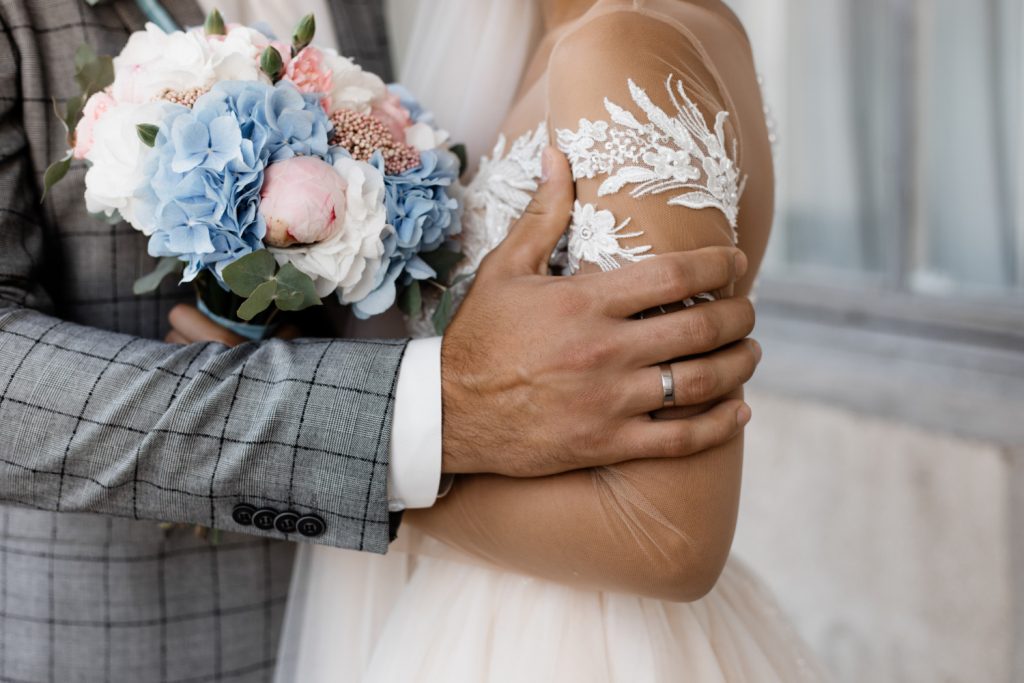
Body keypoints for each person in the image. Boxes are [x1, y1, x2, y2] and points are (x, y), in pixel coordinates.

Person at [0, 0, 760, 679]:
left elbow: (668, 533)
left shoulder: (617, 49)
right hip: (160, 627)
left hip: (560, 641)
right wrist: (378, 399)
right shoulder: (549, 40)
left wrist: (359, 460)